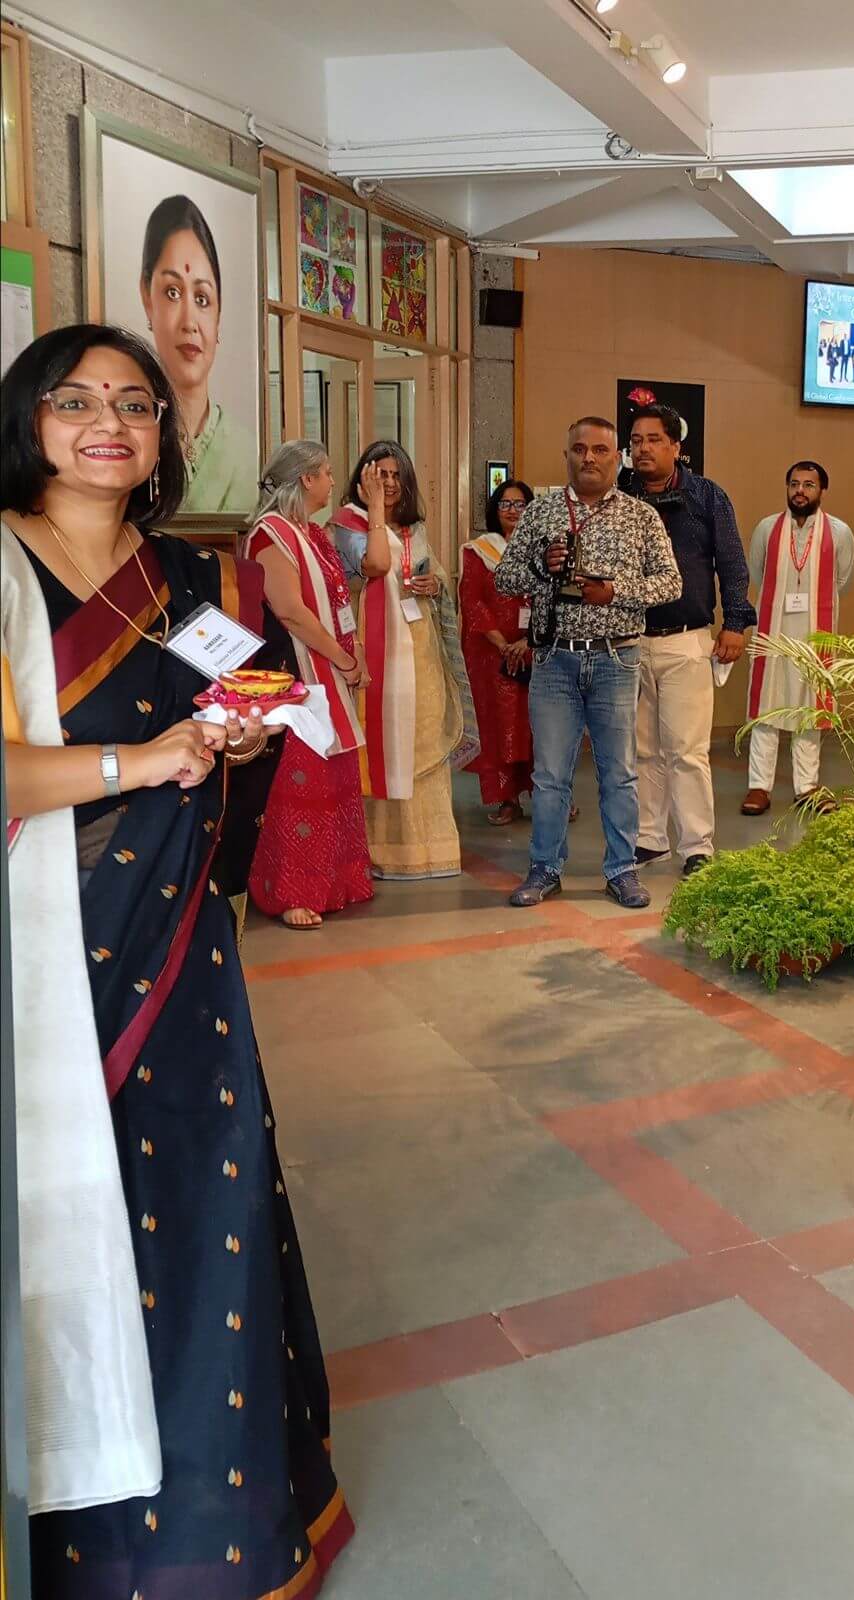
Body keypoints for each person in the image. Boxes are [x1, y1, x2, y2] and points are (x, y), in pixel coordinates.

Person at [1, 323, 352, 1598]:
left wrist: (246, 731)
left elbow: (243, 691)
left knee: (204, 1206)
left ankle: (215, 1528)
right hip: (48, 967)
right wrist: (139, 763)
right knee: (64, 1220)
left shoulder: (169, 572)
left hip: (182, 958)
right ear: (28, 418)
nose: (110, 422)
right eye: (76, 399)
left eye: (136, 404)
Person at [495, 416, 681, 909]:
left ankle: (621, 870)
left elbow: (671, 584)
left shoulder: (641, 517)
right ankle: (544, 869)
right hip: (554, 660)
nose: (589, 458)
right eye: (580, 449)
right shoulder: (540, 514)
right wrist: (542, 565)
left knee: (618, 773)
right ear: (567, 455)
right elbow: (505, 580)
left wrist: (616, 592)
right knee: (550, 775)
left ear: (615, 457)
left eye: (600, 450)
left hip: (616, 660)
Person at [332, 441, 478, 878]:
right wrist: (375, 511)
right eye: (380, 475)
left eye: (396, 476)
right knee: (385, 739)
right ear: (362, 479)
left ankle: (431, 849)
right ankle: (380, 850)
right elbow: (373, 567)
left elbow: (434, 575)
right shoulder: (348, 524)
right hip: (375, 649)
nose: (389, 483)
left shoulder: (416, 528)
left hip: (421, 647)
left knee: (423, 736)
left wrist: (435, 585)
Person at [245, 440, 374, 927]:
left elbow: (339, 600)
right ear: (305, 479)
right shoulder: (269, 534)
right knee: (300, 778)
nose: (332, 482)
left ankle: (338, 879)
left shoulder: (312, 533)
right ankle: (295, 890)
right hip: (295, 672)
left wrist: (353, 652)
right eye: (327, 473)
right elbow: (291, 612)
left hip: (328, 667)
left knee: (335, 774)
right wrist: (342, 658)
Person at [624, 404, 755, 876]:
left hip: (688, 641)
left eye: (654, 439)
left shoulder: (706, 496)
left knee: (686, 749)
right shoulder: (621, 496)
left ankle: (697, 845)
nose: (643, 448)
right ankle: (649, 838)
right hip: (630, 641)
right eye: (636, 440)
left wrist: (735, 623)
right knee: (642, 749)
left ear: (676, 447)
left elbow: (733, 564)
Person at [742, 461, 854, 815]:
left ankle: (806, 788)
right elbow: (757, 571)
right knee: (767, 710)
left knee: (810, 709)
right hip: (773, 632)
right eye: (794, 483)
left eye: (809, 484)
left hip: (814, 636)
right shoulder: (767, 528)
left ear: (822, 490)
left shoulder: (839, 532)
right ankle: (759, 787)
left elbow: (844, 580)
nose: (800, 491)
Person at [138, 193, 257, 514]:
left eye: (203, 298)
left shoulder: (245, 450)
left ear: (218, 315)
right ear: (147, 297)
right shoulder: (134, 436)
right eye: (173, 292)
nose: (190, 322)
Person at [460, 478, 537, 824]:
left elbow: (554, 600)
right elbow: (472, 601)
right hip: (495, 656)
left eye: (520, 504)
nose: (512, 511)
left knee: (541, 728)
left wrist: (530, 640)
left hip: (538, 651)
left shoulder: (545, 549)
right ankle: (507, 798)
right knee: (501, 727)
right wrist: (503, 644)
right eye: (505, 504)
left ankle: (554, 798)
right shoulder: (478, 551)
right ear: (495, 509)